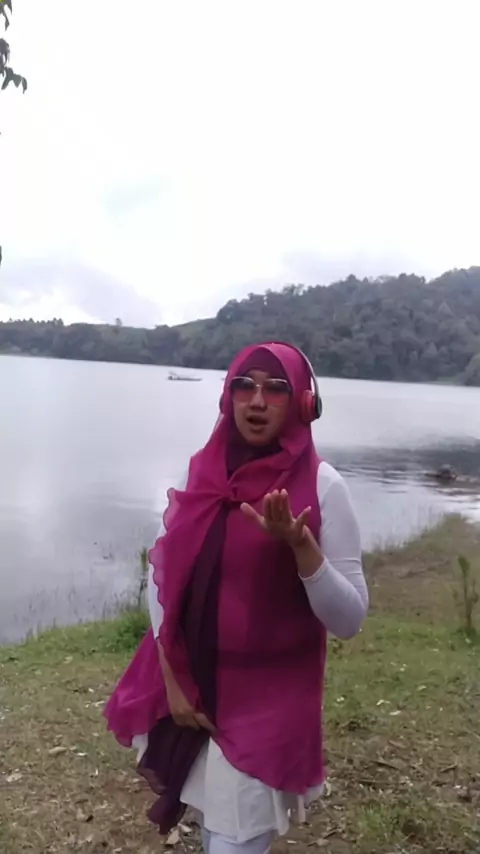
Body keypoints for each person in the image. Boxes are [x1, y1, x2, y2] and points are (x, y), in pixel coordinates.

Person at [105, 341, 368, 854]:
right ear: (228, 397)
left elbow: (350, 619)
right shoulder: (204, 472)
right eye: (244, 386)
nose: (257, 401)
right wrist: (172, 679)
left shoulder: (323, 486)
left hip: (270, 704)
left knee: (234, 838)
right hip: (197, 690)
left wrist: (302, 548)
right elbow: (163, 578)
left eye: (276, 389)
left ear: (303, 402)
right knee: (215, 825)